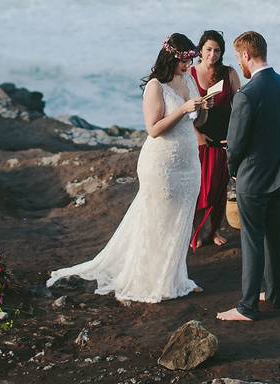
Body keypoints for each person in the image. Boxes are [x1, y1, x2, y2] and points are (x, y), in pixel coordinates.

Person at [47, 33, 210, 303]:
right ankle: (150, 280)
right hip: (161, 163)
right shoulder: (155, 87)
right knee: (158, 219)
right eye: (184, 61)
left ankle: (175, 277)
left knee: (181, 218)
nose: (188, 65)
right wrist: (183, 110)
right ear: (171, 58)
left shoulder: (189, 79)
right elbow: (153, 129)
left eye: (190, 60)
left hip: (188, 161)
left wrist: (204, 108)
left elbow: (197, 122)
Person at [216, 31, 280, 322]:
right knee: (275, 235)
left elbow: (235, 145)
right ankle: (274, 295)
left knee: (251, 239)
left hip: (253, 177)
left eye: (239, 58)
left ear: (246, 55)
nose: (240, 64)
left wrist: (233, 169)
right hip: (279, 171)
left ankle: (247, 306)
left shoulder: (246, 95)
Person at [189, 29, 242, 251]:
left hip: (224, 139)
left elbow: (241, 106)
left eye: (217, 50)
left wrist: (237, 136)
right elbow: (183, 110)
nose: (213, 54)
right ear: (200, 50)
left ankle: (214, 230)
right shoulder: (190, 74)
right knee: (200, 188)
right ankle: (197, 231)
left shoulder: (229, 73)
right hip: (199, 138)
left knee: (220, 187)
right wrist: (197, 136)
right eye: (208, 49)